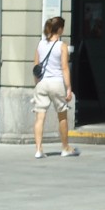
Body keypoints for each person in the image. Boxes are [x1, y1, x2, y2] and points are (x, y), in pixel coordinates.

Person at [32, 16, 77, 159]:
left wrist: (37, 84)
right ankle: (65, 148)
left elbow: (36, 66)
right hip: (57, 83)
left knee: (40, 117)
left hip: (42, 83)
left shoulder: (40, 44)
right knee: (62, 116)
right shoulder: (61, 46)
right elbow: (64, 68)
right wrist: (69, 88)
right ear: (60, 29)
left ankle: (38, 150)